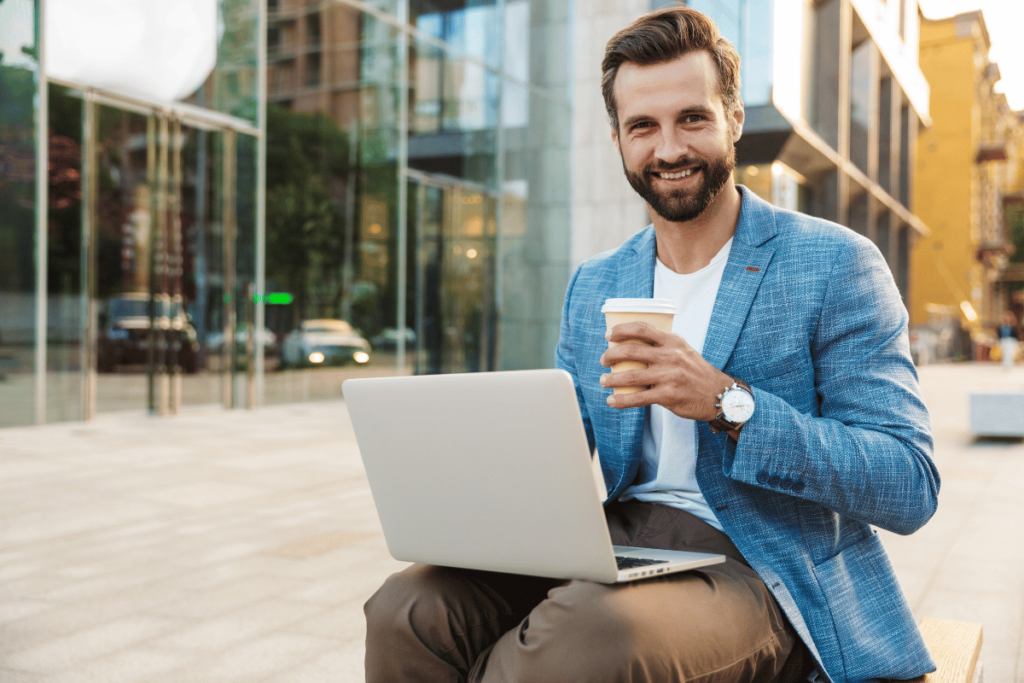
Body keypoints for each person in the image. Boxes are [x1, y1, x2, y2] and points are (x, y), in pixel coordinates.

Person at [363, 7, 940, 683]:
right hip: (623, 537)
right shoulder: (597, 282)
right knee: (407, 609)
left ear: (733, 119)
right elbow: (561, 445)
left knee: (576, 644)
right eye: (644, 126)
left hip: (759, 562)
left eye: (691, 118)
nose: (668, 148)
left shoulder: (834, 263)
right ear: (617, 139)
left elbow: (909, 482)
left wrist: (728, 402)